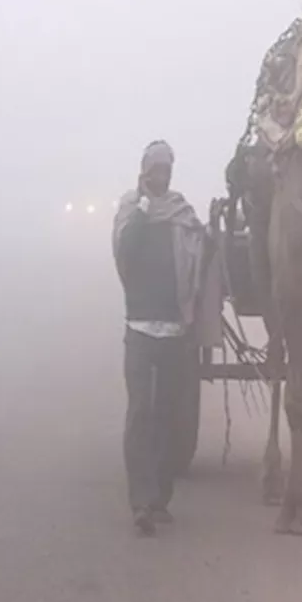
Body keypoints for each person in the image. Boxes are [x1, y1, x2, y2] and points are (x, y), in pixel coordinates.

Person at [111, 140, 206, 536]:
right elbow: (124, 252)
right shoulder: (132, 211)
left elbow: (200, 253)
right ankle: (140, 503)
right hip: (139, 329)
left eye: (166, 169)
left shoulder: (182, 214)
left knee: (168, 414)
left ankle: (161, 498)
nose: (160, 175)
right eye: (154, 169)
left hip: (173, 331)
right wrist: (145, 208)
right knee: (140, 414)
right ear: (143, 171)